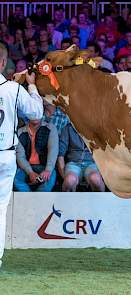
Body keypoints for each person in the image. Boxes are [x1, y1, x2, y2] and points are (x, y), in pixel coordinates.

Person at [0, 43, 43, 268]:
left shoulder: (12, 88)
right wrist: (31, 86)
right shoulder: (13, 90)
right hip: (5, 156)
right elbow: (36, 113)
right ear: (3, 62)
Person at [58, 123, 105, 192]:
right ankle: (69, 202)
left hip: (92, 163)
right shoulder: (68, 128)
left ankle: (101, 202)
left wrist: (104, 174)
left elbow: (106, 153)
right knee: (70, 180)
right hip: (73, 164)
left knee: (95, 178)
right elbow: (60, 154)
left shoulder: (98, 129)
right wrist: (64, 177)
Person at [14, 119, 58, 192]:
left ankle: (37, 199)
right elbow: (20, 156)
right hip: (26, 166)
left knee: (51, 178)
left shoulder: (50, 128)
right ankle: (30, 199)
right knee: (16, 179)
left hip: (44, 166)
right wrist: (30, 172)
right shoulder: (20, 132)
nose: (35, 116)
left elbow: (53, 150)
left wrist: (48, 169)